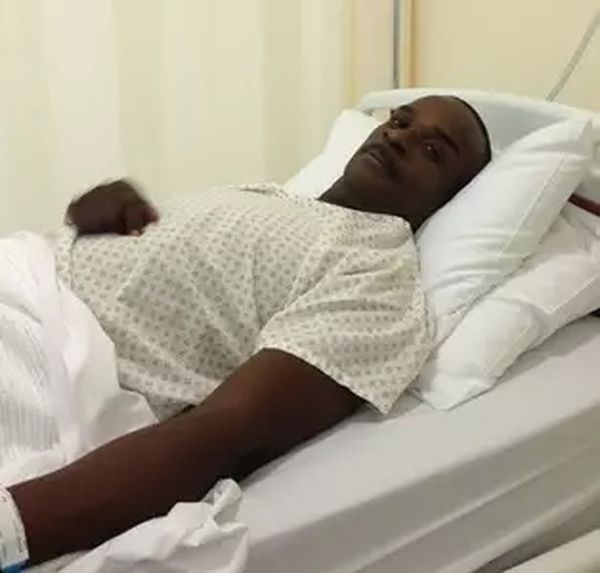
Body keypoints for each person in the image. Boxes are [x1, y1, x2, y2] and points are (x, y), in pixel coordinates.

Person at [6, 95, 492, 565]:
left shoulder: (378, 275)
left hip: (43, 356)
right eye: (399, 121)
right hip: (25, 273)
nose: (397, 137)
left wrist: (12, 528)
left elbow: (227, 432)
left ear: (452, 199)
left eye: (433, 150)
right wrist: (95, 215)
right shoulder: (279, 198)